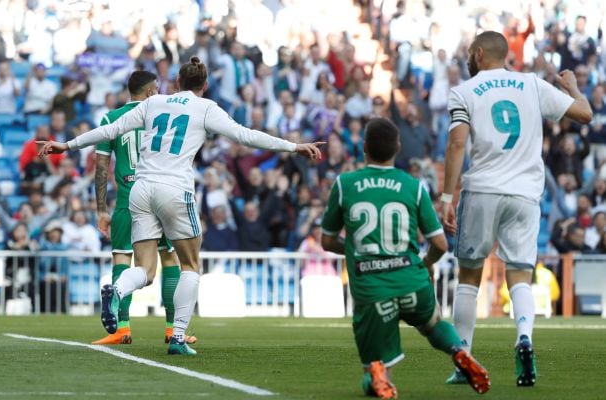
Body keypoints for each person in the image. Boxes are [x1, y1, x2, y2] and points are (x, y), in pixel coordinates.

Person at [39, 57, 322, 355]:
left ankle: (117, 290)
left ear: (176, 83)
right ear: (206, 86)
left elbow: (110, 131)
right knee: (189, 265)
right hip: (174, 189)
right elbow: (245, 135)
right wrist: (293, 146)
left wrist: (67, 145)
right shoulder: (206, 108)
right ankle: (177, 337)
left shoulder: (154, 103)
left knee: (145, 271)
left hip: (140, 189)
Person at [441, 31, 592, 386]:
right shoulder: (531, 84)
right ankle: (524, 338)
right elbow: (585, 114)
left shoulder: (464, 91)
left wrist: (448, 197)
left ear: (479, 54)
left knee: (469, 276)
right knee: (521, 275)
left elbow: (457, 141)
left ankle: (464, 359)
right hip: (525, 193)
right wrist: (572, 86)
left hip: (482, 190)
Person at [320, 118, 490, 399]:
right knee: (433, 325)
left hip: (371, 289)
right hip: (412, 280)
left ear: (364, 147)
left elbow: (327, 240)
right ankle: (459, 351)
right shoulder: (414, 186)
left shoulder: (345, 184)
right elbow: (439, 243)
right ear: (398, 147)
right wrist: (425, 264)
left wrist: (356, 248)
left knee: (372, 373)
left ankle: (378, 376)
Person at [92, 70, 196, 345]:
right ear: (151, 92)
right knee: (170, 259)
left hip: (128, 200)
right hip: (160, 194)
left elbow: (101, 166)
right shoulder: (161, 114)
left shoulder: (110, 118)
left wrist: (101, 209)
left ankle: (120, 330)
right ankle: (173, 330)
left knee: (122, 258)